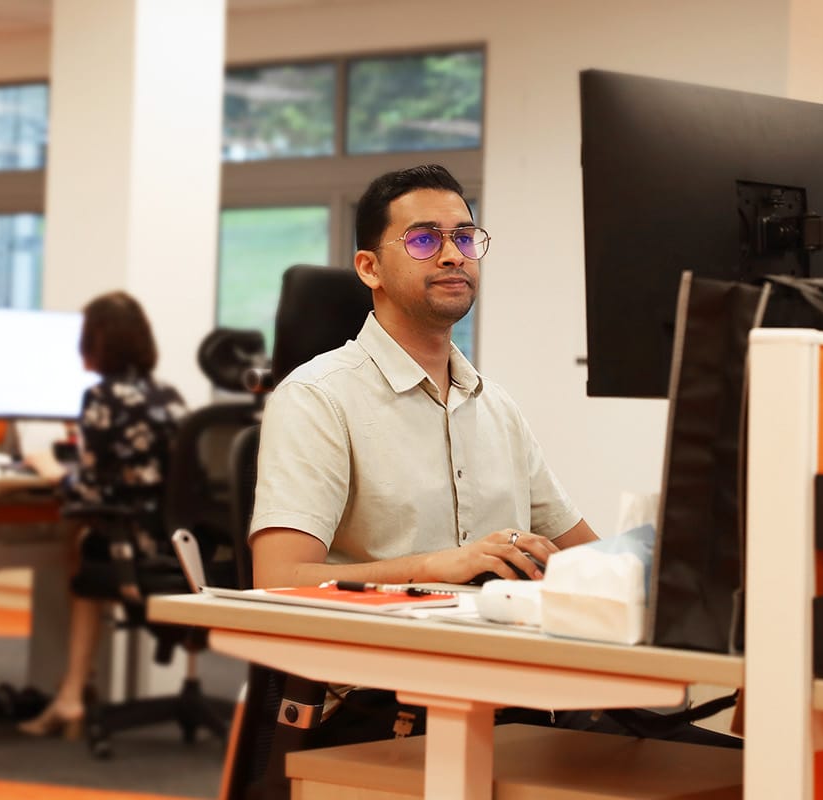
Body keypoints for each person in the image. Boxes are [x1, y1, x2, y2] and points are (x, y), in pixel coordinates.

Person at [250, 164, 598, 590]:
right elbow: (279, 578)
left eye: (465, 238)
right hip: (376, 650)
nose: (454, 256)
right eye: (424, 240)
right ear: (369, 269)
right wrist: (436, 567)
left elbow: (587, 555)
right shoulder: (316, 398)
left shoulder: (497, 408)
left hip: (497, 645)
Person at [18, 291, 187, 738]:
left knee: (82, 547)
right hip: (178, 545)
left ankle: (72, 693)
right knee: (85, 544)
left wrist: (51, 469)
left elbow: (89, 488)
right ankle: (72, 689)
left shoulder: (101, 397)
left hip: (132, 544)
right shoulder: (169, 396)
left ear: (96, 343)